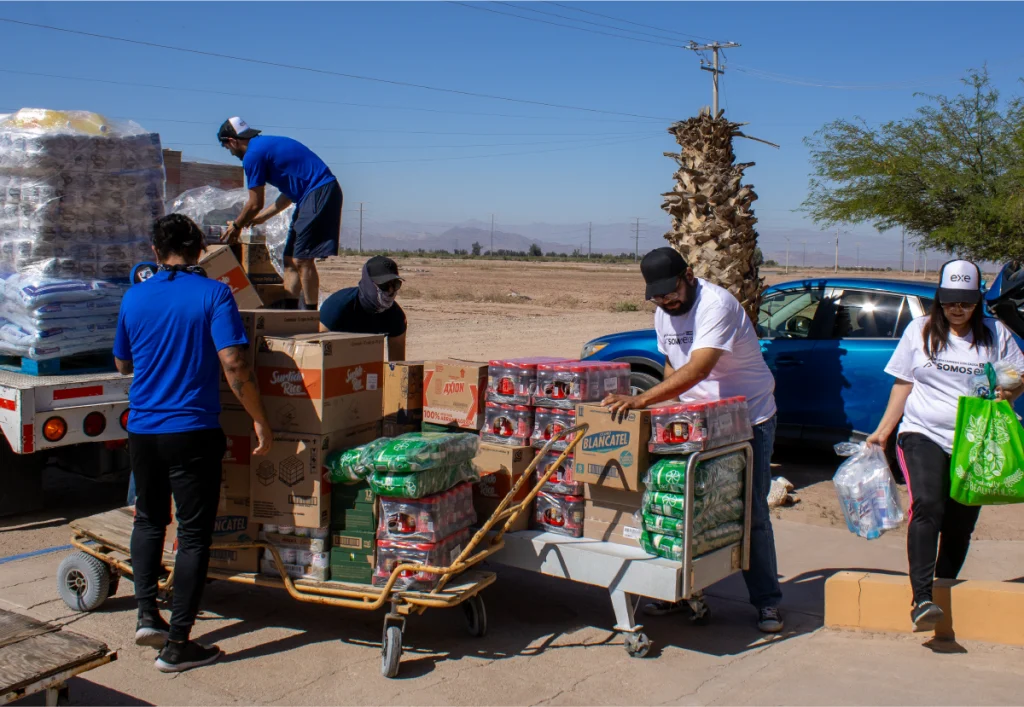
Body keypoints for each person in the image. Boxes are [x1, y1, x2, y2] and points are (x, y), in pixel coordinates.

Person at [114, 214, 273, 672]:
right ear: (200, 249)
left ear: (155, 251)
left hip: (143, 428)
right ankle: (178, 644)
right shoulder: (214, 294)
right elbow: (235, 364)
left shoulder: (134, 295)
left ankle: (147, 615)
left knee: (149, 520)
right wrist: (260, 419)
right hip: (191, 430)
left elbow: (123, 363)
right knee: (193, 535)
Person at [602, 247, 783, 634]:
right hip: (697, 421)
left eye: (671, 293)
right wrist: (671, 408)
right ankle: (679, 593)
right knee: (681, 507)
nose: (666, 302)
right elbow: (673, 364)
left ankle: (767, 602)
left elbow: (699, 368)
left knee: (750, 512)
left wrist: (642, 400)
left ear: (688, 275)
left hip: (747, 419)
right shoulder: (663, 313)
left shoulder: (716, 304)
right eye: (657, 297)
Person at [866, 259, 1024, 632]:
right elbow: (904, 383)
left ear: (977, 301)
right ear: (940, 298)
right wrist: (883, 430)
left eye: (966, 302)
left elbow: (1017, 378)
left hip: (976, 439)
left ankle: (943, 586)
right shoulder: (919, 330)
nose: (957, 308)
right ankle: (921, 598)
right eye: (951, 300)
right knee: (928, 506)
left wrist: (1008, 391)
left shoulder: (996, 334)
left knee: (960, 522)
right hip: (922, 432)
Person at [217, 117, 343, 311]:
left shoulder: (252, 155)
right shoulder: (264, 147)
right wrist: (262, 218)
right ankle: (289, 314)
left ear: (232, 141)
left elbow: (254, 203)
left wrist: (236, 225)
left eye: (228, 149)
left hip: (320, 192)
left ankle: (309, 316)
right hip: (309, 195)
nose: (232, 153)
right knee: (289, 259)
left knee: (302, 259)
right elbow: (287, 196)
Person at [319, 256, 407, 361]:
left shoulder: (396, 316)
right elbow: (313, 352)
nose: (391, 290)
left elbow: (397, 365)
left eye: (395, 284)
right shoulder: (337, 308)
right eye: (384, 285)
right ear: (368, 283)